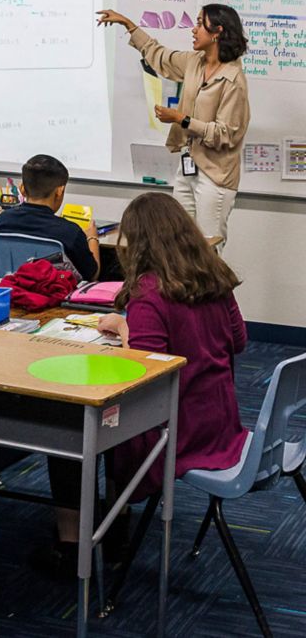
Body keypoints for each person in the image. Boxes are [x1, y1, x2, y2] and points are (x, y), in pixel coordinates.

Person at [43, 193, 248, 574]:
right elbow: (238, 341)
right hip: (219, 420)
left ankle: (75, 543)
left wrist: (123, 326)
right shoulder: (216, 278)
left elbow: (144, 371)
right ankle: (112, 520)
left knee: (70, 426)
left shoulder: (150, 293)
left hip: (174, 429)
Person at [97, 4, 250, 246]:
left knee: (209, 249)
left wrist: (181, 119)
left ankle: (212, 287)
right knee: (179, 244)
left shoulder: (233, 80)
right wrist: (129, 25)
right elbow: (159, 55)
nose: (194, 29)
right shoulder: (194, 62)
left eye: (200, 23)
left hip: (216, 175)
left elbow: (225, 135)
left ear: (217, 32)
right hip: (188, 167)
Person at [0, 154, 99, 281]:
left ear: (22, 189)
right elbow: (92, 276)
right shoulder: (70, 231)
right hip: (53, 298)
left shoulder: (1, 221)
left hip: (11, 295)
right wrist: (92, 238)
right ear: (59, 191)